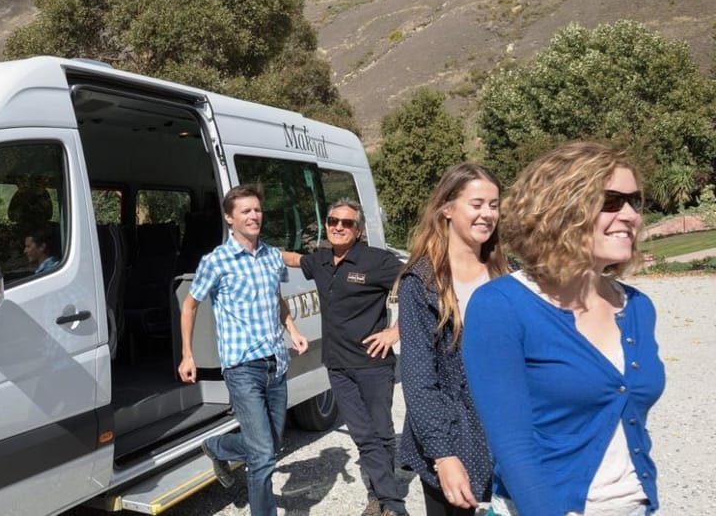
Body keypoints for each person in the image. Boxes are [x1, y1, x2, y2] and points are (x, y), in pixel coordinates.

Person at [463, 141, 665, 516]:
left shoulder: (637, 308)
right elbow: (514, 449)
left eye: (634, 201)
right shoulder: (501, 306)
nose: (630, 215)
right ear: (561, 208)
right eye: (611, 201)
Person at [177, 184, 308, 516]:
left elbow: (276, 298)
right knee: (263, 455)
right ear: (229, 218)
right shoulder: (216, 261)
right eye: (245, 211)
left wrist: (292, 330)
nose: (254, 215)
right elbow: (190, 306)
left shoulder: (270, 257)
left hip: (276, 363)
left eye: (257, 210)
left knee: (271, 443)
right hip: (242, 367)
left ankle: (218, 446)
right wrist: (188, 354)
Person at [397, 163, 508, 516]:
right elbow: (419, 378)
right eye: (477, 204)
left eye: (493, 205)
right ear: (447, 208)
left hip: (508, 437)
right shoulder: (421, 282)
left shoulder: (510, 275)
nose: (487, 214)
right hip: (454, 437)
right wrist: (443, 455)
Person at [282, 198, 405, 516]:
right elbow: (293, 259)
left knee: (380, 431)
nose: (338, 226)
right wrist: (249, 246)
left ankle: (384, 498)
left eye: (347, 223)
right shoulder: (321, 260)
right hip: (337, 365)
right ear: (326, 225)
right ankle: (386, 500)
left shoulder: (377, 261)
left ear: (358, 229)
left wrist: (395, 331)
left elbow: (419, 283)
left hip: (373, 364)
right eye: (333, 221)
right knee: (363, 434)